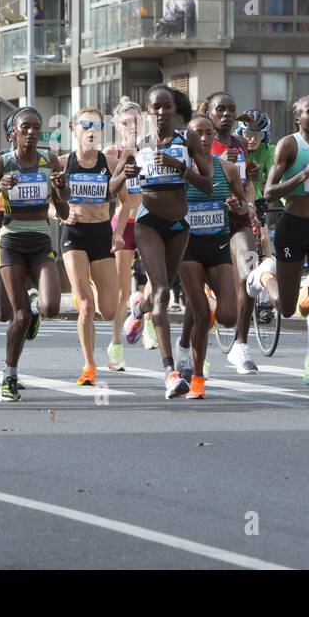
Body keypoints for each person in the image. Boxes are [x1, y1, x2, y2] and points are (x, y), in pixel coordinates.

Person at [252, 94, 309, 402]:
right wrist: (305, 175)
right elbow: (268, 191)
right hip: (293, 230)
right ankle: (265, 277)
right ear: (298, 118)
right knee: (287, 308)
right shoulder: (289, 145)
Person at [123, 84, 213, 399]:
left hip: (179, 225)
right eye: (155, 107)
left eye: (166, 107)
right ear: (148, 111)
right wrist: (127, 173)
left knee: (157, 295)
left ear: (174, 109)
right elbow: (114, 185)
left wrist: (180, 168)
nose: (161, 112)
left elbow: (208, 183)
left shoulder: (187, 139)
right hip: (148, 223)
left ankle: (139, 309)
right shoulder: (140, 143)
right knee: (162, 292)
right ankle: (169, 372)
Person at [0, 107, 67, 401]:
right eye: (25, 128)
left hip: (41, 241)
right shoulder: (3, 163)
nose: (31, 132)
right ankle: (9, 376)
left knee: (51, 308)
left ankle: (36, 306)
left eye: (36, 127)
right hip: (10, 241)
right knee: (17, 316)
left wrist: (60, 189)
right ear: (14, 134)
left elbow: (64, 210)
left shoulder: (50, 161)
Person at [174, 113, 251, 397]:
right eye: (198, 133)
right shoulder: (178, 169)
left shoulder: (227, 169)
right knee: (203, 315)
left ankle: (201, 306)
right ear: (188, 138)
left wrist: (237, 204)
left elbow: (243, 204)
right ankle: (196, 379)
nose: (205, 139)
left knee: (229, 317)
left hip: (218, 244)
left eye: (208, 133)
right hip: (188, 247)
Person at [60, 108, 132, 385]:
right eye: (85, 125)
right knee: (87, 307)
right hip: (74, 235)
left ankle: (86, 288)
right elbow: (50, 205)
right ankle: (90, 366)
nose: (91, 130)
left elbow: (125, 203)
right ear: (74, 128)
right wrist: (62, 214)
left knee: (109, 310)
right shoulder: (63, 162)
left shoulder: (110, 163)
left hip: (102, 234)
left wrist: (118, 233)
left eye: (96, 126)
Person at [201, 91, 263, 375]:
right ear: (210, 113)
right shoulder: (200, 141)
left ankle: (241, 344)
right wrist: (219, 167)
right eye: (220, 110)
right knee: (212, 289)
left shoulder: (240, 143)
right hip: (206, 219)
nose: (226, 115)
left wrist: (250, 180)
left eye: (231, 109)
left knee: (249, 271)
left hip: (237, 217)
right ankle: (194, 348)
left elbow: (246, 183)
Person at [106, 99, 150, 353]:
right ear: (116, 126)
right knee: (121, 289)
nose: (131, 126)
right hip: (122, 224)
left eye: (135, 121)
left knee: (158, 277)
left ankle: (145, 315)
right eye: (125, 122)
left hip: (147, 222)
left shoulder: (151, 149)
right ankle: (116, 343)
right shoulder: (111, 153)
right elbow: (109, 190)